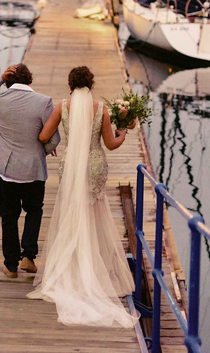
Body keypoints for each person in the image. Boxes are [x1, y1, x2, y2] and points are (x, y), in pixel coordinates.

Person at [27, 66, 139, 328]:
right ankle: (96, 269)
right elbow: (110, 144)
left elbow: (43, 136)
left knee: (70, 211)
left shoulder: (62, 107)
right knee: (95, 213)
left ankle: (71, 268)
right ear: (91, 84)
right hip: (95, 165)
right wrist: (123, 132)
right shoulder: (100, 108)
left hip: (71, 166)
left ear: (70, 84)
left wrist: (53, 145)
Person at [0, 64, 60, 279]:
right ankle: (29, 257)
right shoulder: (44, 102)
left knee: (9, 216)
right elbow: (54, 138)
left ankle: (11, 266)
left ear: (10, 81)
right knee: (34, 210)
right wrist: (44, 150)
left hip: (7, 171)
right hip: (33, 170)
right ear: (30, 81)